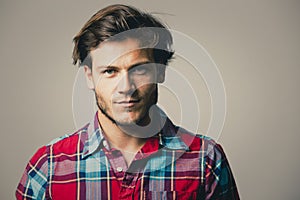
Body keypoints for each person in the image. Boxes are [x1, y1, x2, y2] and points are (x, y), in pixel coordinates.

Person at [16, 4, 239, 200]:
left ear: (160, 73)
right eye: (110, 71)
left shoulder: (206, 160)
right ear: (89, 76)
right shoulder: (49, 166)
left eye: (139, 69)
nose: (126, 87)